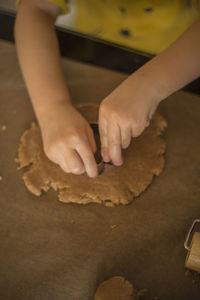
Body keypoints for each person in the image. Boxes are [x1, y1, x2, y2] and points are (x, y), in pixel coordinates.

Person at [14, 0, 200, 178]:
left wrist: (151, 85)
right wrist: (52, 109)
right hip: (92, 49)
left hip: (183, 65)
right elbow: (37, 7)